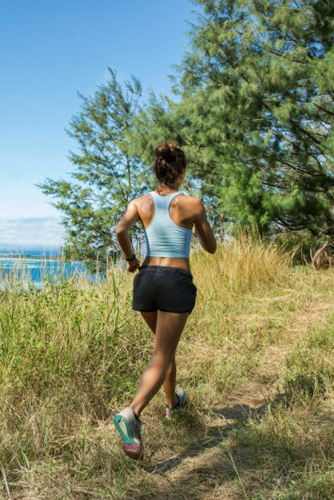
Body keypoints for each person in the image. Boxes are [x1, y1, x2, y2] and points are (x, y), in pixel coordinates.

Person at [112, 140, 217, 460]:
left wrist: (131, 258)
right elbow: (211, 247)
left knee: (164, 349)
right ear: (181, 173)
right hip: (174, 282)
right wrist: (195, 225)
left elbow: (119, 230)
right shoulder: (193, 204)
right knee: (161, 354)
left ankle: (173, 404)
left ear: (158, 171)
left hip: (146, 281)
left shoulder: (140, 203)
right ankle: (132, 414)